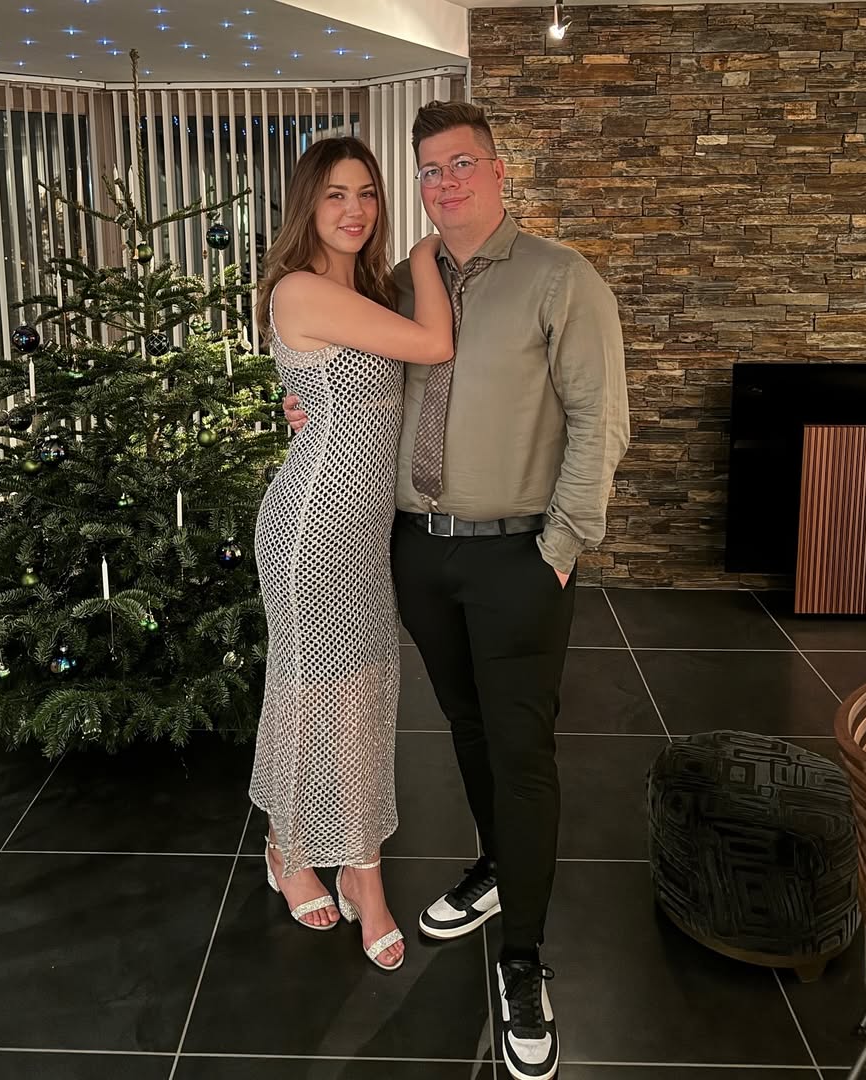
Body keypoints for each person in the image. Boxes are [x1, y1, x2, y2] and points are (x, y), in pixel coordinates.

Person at [283, 102, 629, 1080]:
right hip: (417, 552)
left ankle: (522, 961)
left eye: (462, 164)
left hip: (517, 555)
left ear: (499, 170)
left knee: (520, 751)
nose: (445, 183)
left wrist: (561, 546)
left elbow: (601, 419)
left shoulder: (560, 277)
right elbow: (345, 381)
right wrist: (301, 402)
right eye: (430, 170)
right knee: (469, 731)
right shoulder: (398, 285)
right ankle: (496, 865)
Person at [249, 135, 453, 973]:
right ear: (309, 204)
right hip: (312, 526)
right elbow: (434, 345)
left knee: (364, 689)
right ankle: (300, 852)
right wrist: (428, 253)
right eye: (336, 194)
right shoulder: (302, 288)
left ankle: (342, 855)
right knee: (313, 691)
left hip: (363, 529)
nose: (355, 209)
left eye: (367, 192)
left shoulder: (362, 292)